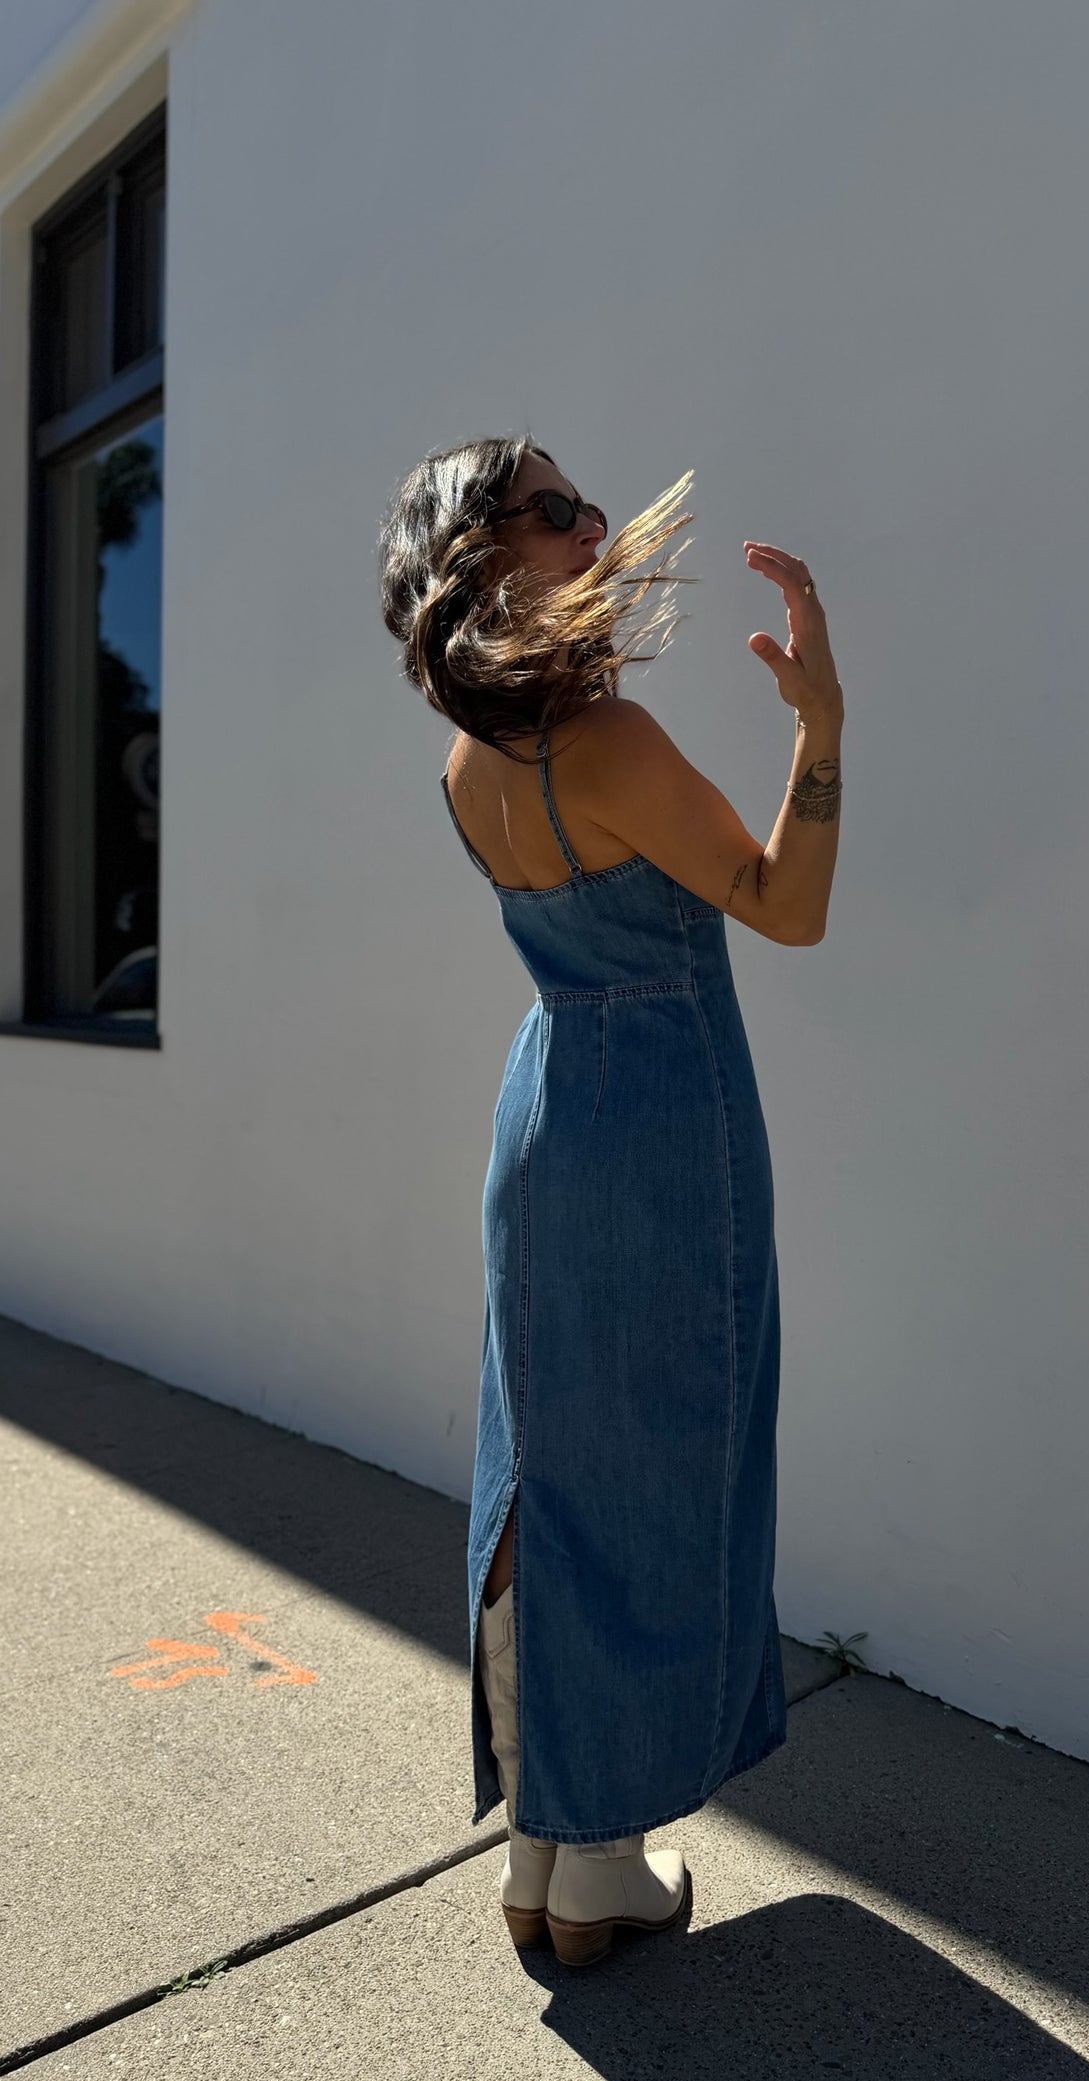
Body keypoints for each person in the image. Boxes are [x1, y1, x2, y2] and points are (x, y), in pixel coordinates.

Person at [378, 433, 844, 1967]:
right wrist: (822, 730)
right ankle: (607, 1857)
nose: (593, 524)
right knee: (666, 1462)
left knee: (546, 1470)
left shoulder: (466, 768)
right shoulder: (614, 743)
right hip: (664, 1110)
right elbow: (788, 907)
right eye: (557, 509)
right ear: (489, 553)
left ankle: (544, 1841)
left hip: (546, 1106)